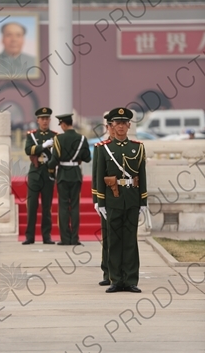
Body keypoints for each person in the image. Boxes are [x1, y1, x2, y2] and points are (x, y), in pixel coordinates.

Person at [96, 107, 148, 293]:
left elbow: (141, 174)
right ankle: (116, 279)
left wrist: (143, 201)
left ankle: (131, 279)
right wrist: (100, 202)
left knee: (130, 241)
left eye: (123, 123)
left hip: (132, 198)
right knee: (115, 240)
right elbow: (99, 176)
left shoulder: (138, 147)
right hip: (113, 199)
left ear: (129, 125)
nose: (120, 126)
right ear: (111, 126)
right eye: (117, 123)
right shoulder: (103, 149)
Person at [47, 113, 91, 245]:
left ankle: (65, 238)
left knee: (64, 207)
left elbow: (54, 160)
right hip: (76, 174)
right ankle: (75, 238)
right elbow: (88, 158)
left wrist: (48, 167)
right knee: (75, 206)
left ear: (64, 124)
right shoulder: (82, 139)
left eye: (61, 124)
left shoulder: (58, 139)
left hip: (63, 176)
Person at [22, 107, 58, 245]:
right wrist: (43, 146)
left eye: (46, 118)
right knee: (32, 205)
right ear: (37, 120)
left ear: (49, 120)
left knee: (46, 207)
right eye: (42, 119)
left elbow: (57, 155)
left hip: (48, 173)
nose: (44, 121)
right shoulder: (31, 135)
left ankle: (46, 236)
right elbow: (28, 150)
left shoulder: (55, 136)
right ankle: (29, 236)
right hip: (35, 174)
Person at [92, 112, 115, 286]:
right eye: (112, 125)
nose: (116, 129)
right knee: (107, 237)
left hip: (124, 198)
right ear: (107, 127)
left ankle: (121, 272)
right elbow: (96, 176)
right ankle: (107, 272)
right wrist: (97, 200)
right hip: (107, 198)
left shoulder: (132, 147)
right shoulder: (102, 147)